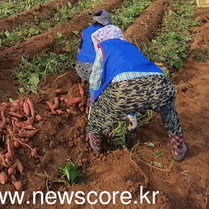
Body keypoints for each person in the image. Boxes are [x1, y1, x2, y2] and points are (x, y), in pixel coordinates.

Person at [85, 25, 187, 161]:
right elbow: (138, 75)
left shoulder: (103, 48)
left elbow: (95, 80)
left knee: (98, 114)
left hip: (125, 90)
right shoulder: (130, 47)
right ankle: (178, 147)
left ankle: (96, 140)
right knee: (169, 111)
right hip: (159, 83)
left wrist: (94, 100)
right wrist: (132, 113)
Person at [76, 10, 112, 81]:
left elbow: (79, 50)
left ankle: (83, 80)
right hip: (96, 70)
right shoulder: (106, 32)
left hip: (80, 67)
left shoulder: (86, 31)